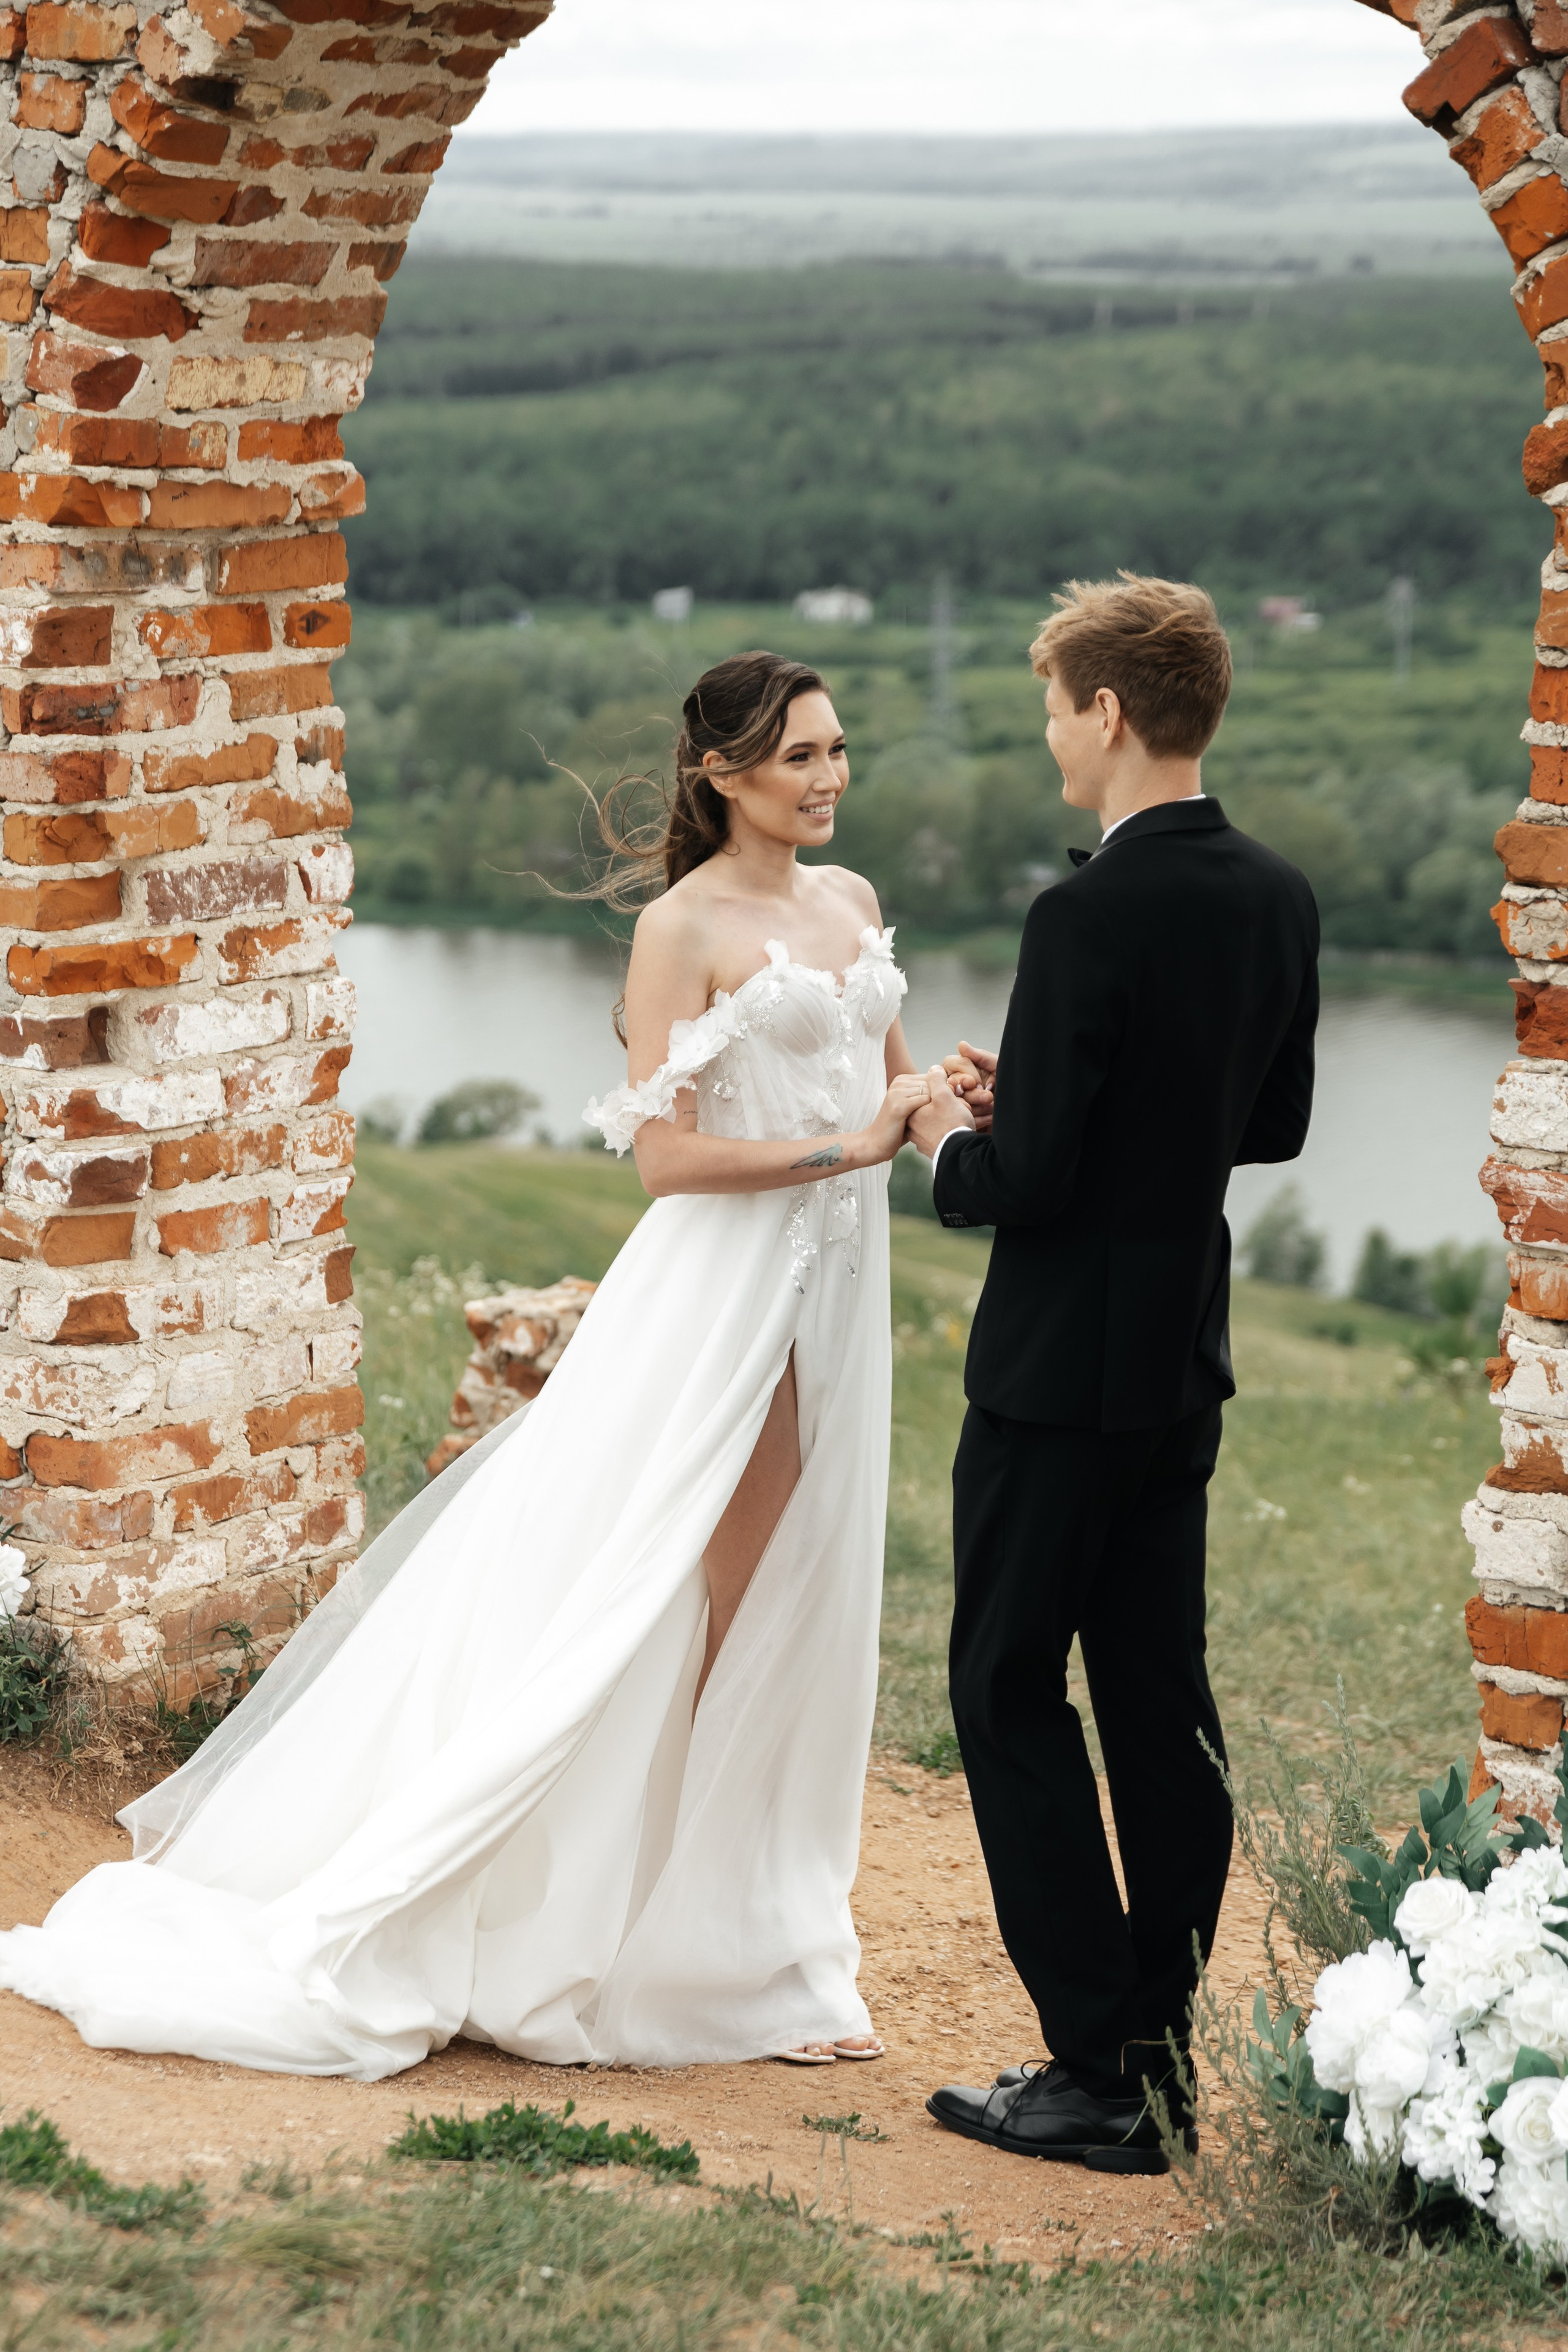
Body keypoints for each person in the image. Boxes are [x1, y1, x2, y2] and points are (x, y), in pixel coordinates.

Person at [0, 650, 933, 2080]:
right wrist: (845, 1150)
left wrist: (940, 1107)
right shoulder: (681, 927)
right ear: (722, 773)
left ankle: (752, 1929)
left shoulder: (852, 905)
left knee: (803, 1592)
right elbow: (663, 1161)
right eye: (799, 756)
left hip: (838, 1286)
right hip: (729, 1294)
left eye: (836, 749)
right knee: (707, 1596)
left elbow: (885, 1088)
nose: (828, 778)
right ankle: (682, 1944)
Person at [907, 575, 1319, 2174]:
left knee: (1005, 1688)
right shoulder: (1274, 894)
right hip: (1179, 1362)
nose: (1051, 739)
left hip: (1053, 1371)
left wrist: (954, 1134)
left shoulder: (1081, 914)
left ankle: (1093, 2069)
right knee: (1159, 1705)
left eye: (1054, 710)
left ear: (1110, 713)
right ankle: (1161, 2065)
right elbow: (1263, 1124)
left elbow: (1025, 1189)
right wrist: (1070, 1100)